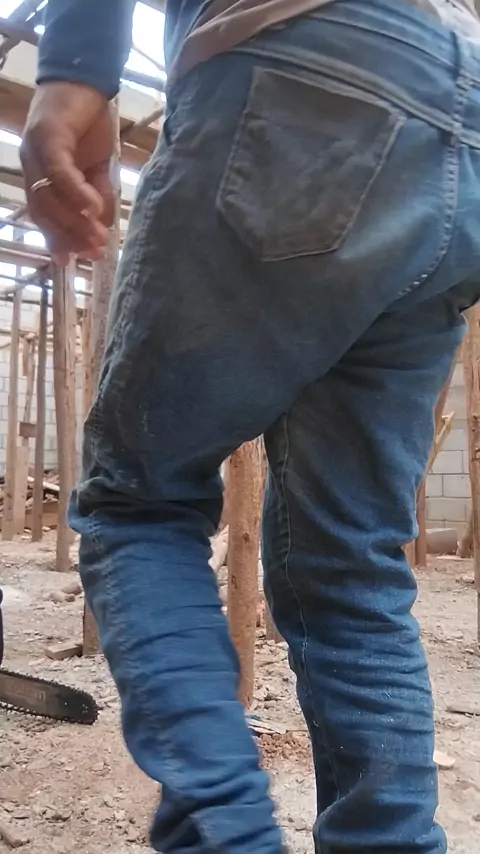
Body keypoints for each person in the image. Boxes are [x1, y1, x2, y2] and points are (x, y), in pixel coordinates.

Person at [19, 0, 480, 852]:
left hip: (309, 62)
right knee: (351, 562)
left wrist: (74, 76)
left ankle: (224, 833)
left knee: (139, 506)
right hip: (466, 116)